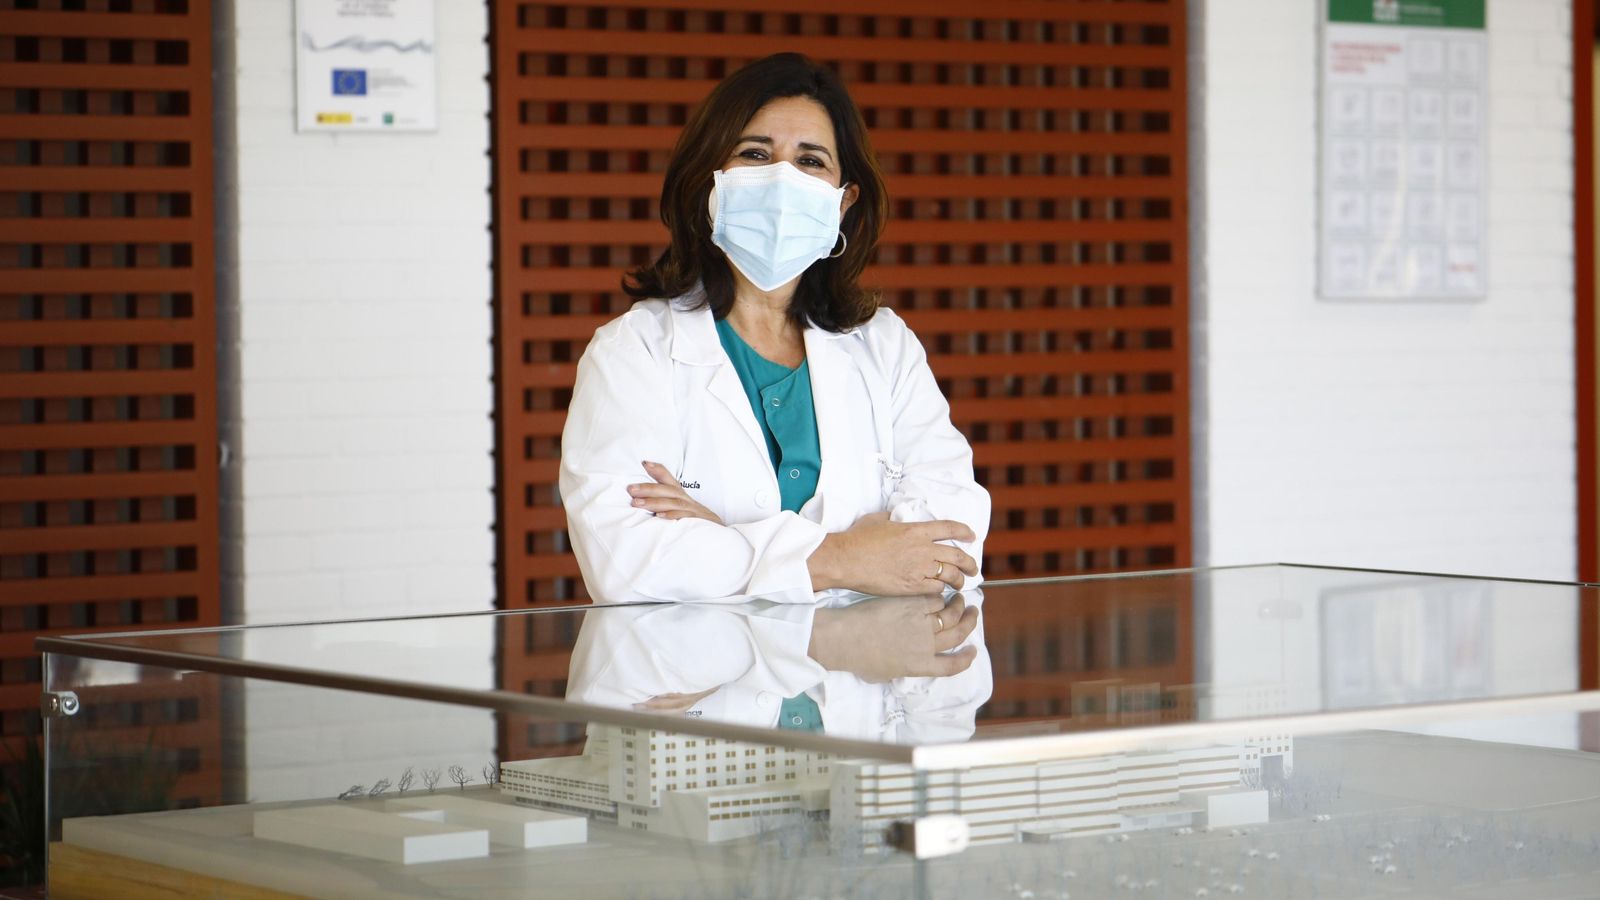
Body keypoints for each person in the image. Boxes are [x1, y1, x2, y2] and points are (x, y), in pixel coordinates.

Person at [559, 53, 992, 717]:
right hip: (696, 719)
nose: (783, 177)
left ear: (844, 201)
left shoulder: (884, 346)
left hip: (860, 716)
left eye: (811, 160)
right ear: (710, 180)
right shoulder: (635, 351)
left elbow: (949, 544)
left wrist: (726, 536)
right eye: (755, 154)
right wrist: (844, 558)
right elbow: (627, 564)